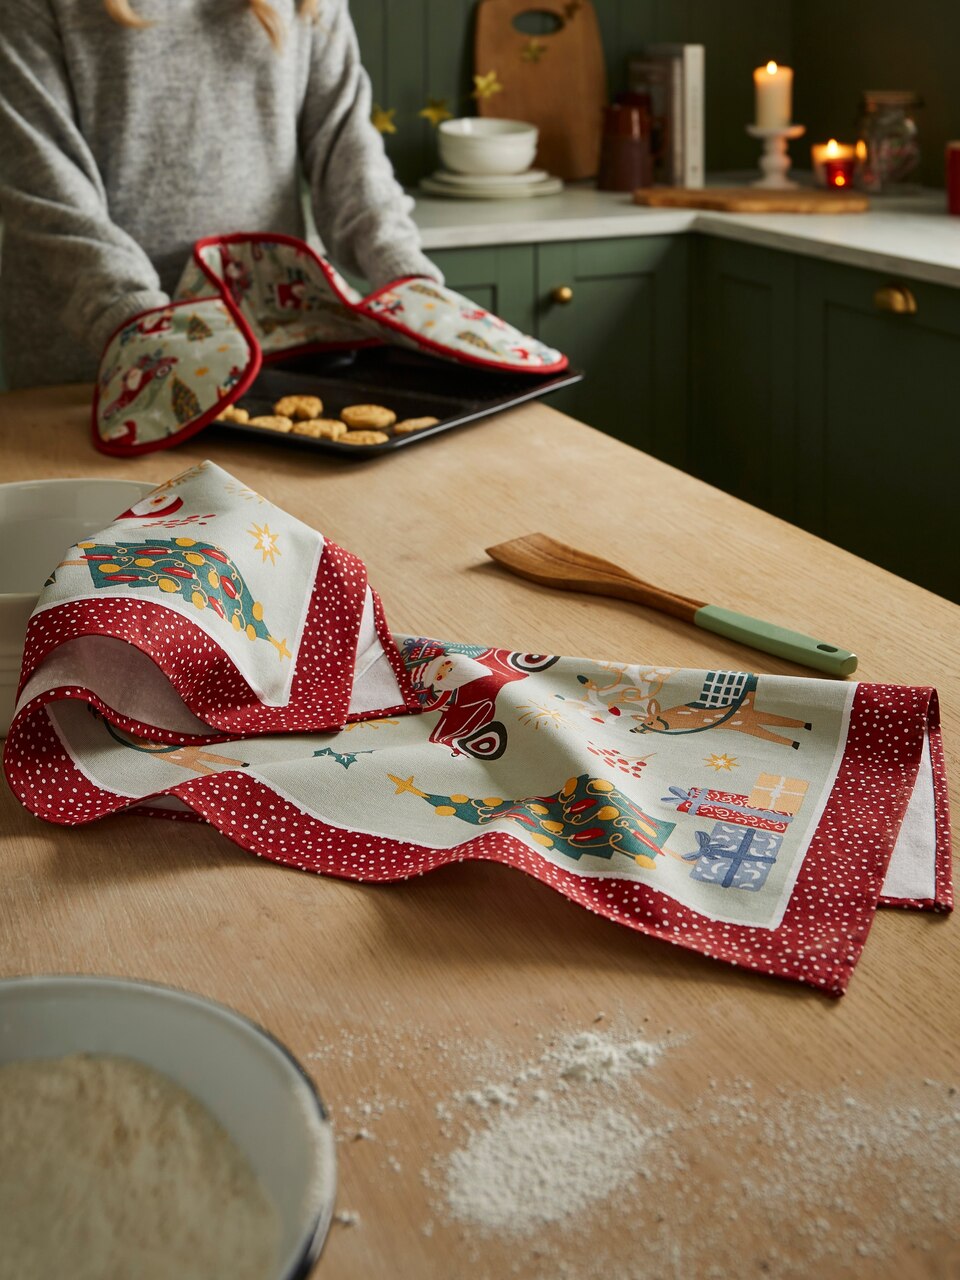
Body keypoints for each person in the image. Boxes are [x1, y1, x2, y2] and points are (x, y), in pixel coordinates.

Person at [0, 0, 440, 389]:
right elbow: (44, 180)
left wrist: (405, 276)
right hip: (97, 370)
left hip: (270, 355)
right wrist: (140, 327)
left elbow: (345, 145)